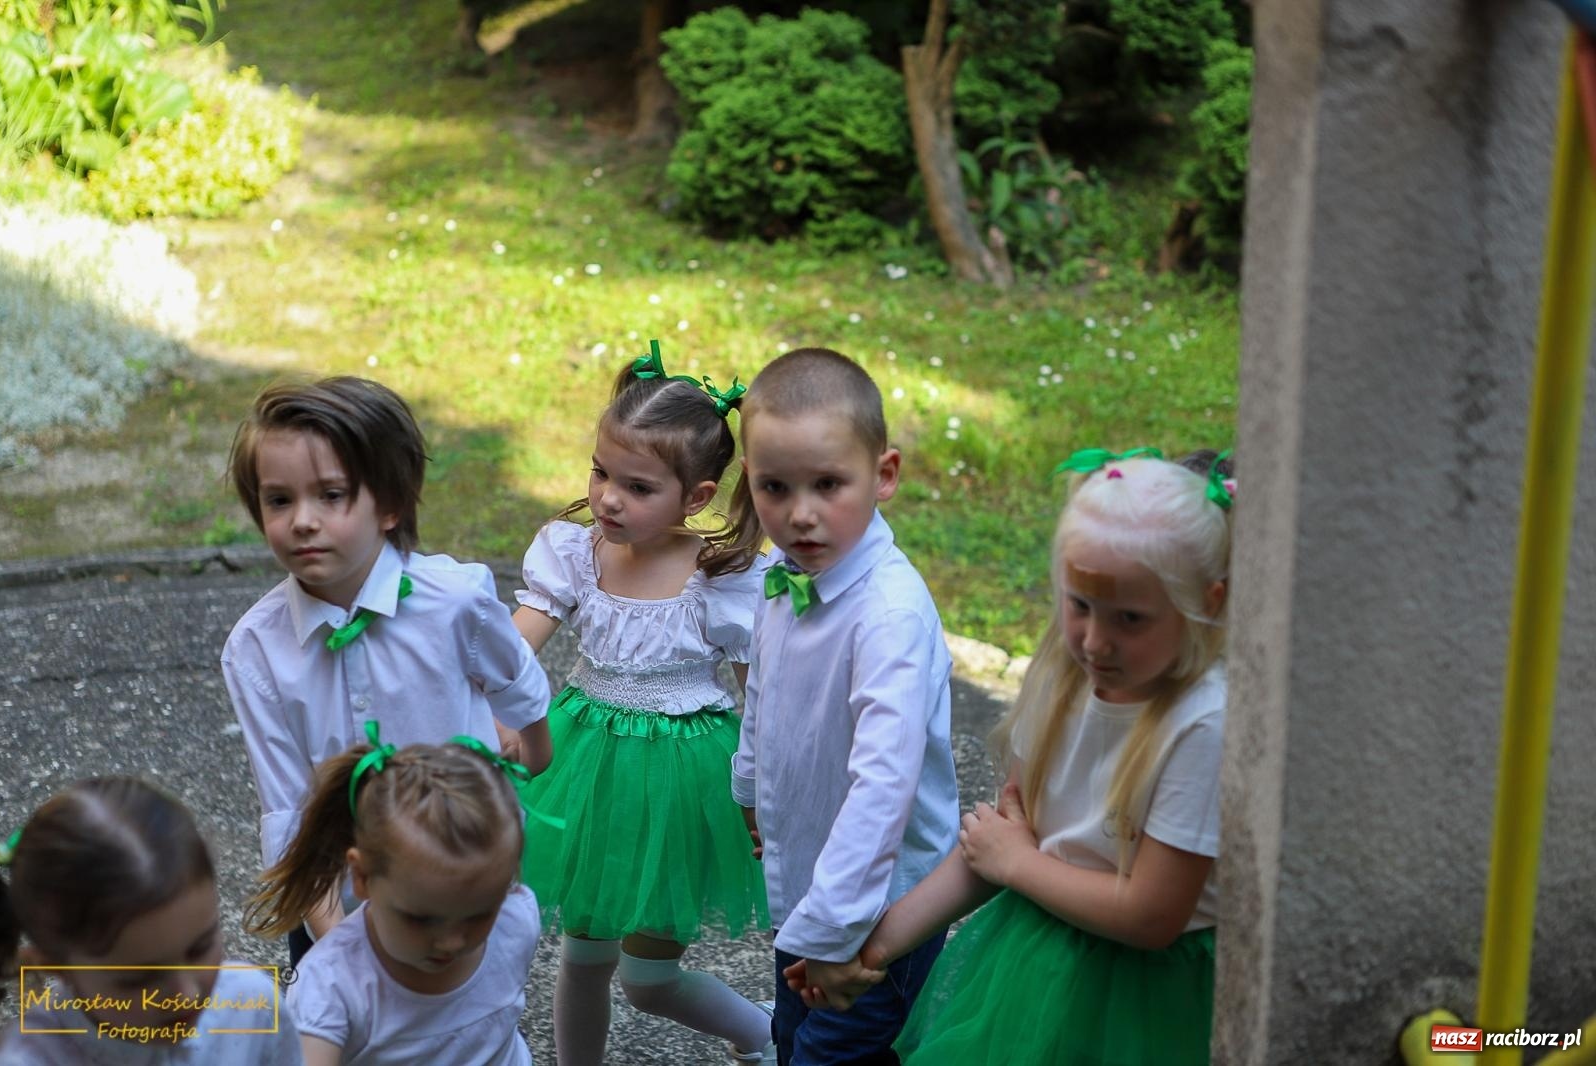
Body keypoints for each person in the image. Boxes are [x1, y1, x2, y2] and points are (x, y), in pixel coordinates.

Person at [796, 447, 1234, 1066]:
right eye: (1079, 606)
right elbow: (991, 851)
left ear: (1209, 603)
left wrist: (1019, 865)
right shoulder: (1063, 679)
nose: (1095, 641)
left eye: (1130, 618)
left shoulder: (1203, 724)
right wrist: (867, 951)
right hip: (1033, 967)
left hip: (1147, 1000)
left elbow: (1150, 915)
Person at [221, 376, 552, 965]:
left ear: (391, 504)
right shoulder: (256, 650)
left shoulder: (455, 602)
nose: (302, 520)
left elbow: (516, 680)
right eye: (279, 500)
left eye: (331, 495)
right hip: (337, 903)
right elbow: (288, 806)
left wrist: (533, 749)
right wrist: (342, 950)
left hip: (459, 881)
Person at [511, 343, 774, 1064]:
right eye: (600, 472)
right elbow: (510, 653)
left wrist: (768, 788)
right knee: (582, 957)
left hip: (684, 779)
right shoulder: (575, 552)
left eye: (637, 486)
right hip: (587, 760)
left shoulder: (723, 579)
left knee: (649, 977)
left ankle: (761, 1031)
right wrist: (489, 707)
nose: (608, 498)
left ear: (695, 497)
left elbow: (763, 703)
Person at [730, 347, 959, 1065]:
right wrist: (749, 784)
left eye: (829, 484)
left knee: (830, 1057)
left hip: (878, 917)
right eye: (774, 487)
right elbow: (763, 686)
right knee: (790, 1041)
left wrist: (833, 938)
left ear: (883, 474)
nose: (800, 515)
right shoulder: (786, 574)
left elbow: (884, 787)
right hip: (809, 887)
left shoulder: (887, 615)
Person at [245, 726, 540, 1066]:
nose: (452, 942)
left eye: (479, 914)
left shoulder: (516, 919)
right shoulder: (331, 987)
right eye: (422, 918)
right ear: (361, 876)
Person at [0, 777, 301, 1064]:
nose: (185, 996)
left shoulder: (252, 1007)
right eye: (140, 978)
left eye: (200, 948)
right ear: (58, 968)